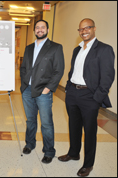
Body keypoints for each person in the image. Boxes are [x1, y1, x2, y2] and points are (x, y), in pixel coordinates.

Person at [58, 18, 115, 177]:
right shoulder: (77, 50)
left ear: (94, 28)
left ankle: (88, 164)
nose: (84, 31)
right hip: (73, 93)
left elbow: (108, 77)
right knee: (73, 126)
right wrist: (69, 88)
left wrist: (97, 98)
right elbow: (73, 71)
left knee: (90, 131)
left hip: (90, 96)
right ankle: (73, 153)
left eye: (87, 28)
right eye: (81, 29)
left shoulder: (104, 49)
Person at [20, 20, 64, 163]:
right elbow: (23, 68)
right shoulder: (29, 47)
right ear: (34, 30)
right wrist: (24, 83)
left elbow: (58, 71)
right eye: (37, 27)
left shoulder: (55, 48)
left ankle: (49, 151)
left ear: (47, 29)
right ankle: (30, 143)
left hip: (43, 91)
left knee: (46, 123)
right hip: (27, 90)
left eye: (42, 27)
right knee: (30, 120)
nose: (40, 29)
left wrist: (48, 88)